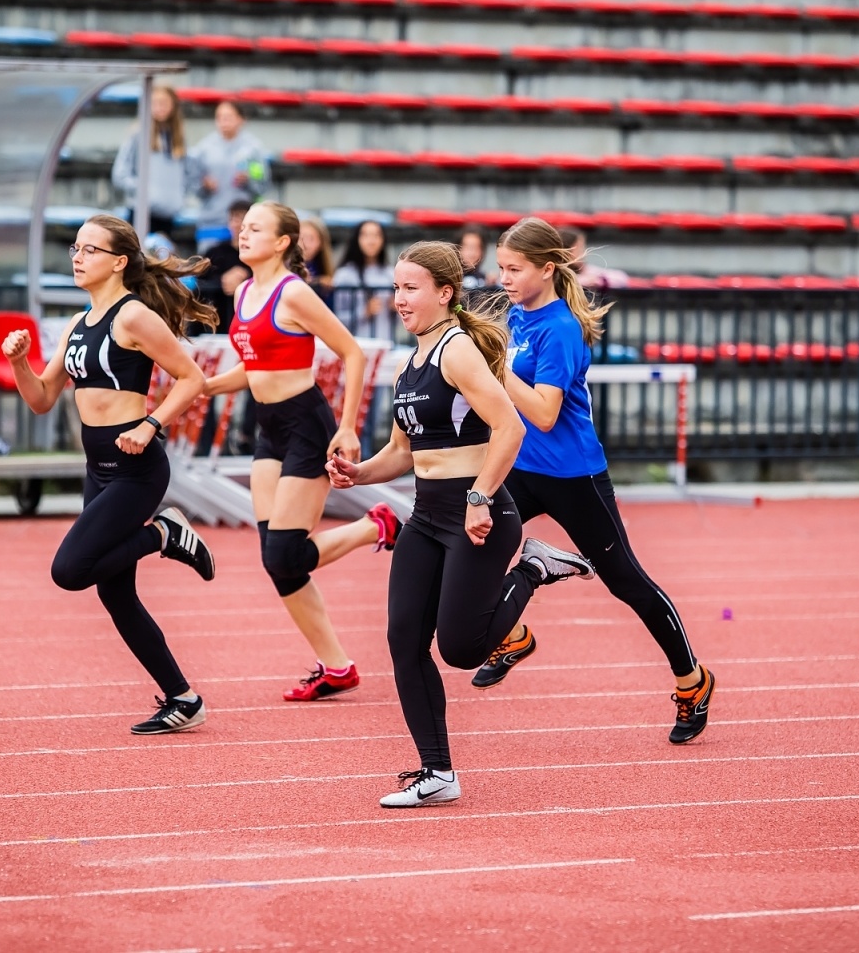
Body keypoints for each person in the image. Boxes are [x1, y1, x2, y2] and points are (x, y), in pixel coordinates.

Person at [328, 241, 593, 808]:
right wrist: (358, 472)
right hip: (427, 516)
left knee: (462, 650)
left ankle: (534, 569)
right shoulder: (408, 364)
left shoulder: (458, 351)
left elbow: (511, 429)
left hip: (480, 516)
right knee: (404, 640)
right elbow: (403, 453)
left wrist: (479, 496)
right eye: (396, 288)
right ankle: (437, 772)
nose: (399, 299)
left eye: (410, 288)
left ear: (444, 293)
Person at [476, 218, 716, 743]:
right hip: (520, 466)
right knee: (468, 543)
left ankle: (692, 681)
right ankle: (511, 636)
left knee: (626, 582)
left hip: (572, 475)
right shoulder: (517, 313)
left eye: (514, 269)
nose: (505, 278)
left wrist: (493, 369)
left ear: (546, 268)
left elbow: (543, 412)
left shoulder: (560, 328)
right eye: (501, 268)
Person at [2, 214, 220, 736]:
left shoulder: (134, 317)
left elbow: (193, 380)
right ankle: (182, 698)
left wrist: (150, 423)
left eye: (90, 250)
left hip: (136, 469)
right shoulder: (79, 325)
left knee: (71, 570)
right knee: (115, 593)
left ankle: (164, 533)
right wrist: (20, 362)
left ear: (119, 261)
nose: (78, 257)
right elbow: (40, 400)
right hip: (97, 468)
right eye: (75, 248)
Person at [203, 201, 399, 701]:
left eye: (255, 228)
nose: (243, 235)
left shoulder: (294, 294)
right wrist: (203, 387)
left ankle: (373, 526)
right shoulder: (245, 290)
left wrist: (350, 426)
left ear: (283, 241)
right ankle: (336, 667)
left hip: (307, 424)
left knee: (286, 553)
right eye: (242, 227)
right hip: (269, 428)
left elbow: (352, 352)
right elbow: (253, 368)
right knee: (279, 562)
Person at [112, 83, 189, 239]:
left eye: (164, 103)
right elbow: (120, 174)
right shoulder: (137, 135)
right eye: (155, 103)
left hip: (168, 214)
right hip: (142, 213)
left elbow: (185, 175)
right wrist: (143, 190)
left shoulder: (177, 138)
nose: (160, 108)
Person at [188, 99, 270, 236]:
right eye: (219, 117)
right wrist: (204, 185)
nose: (224, 121)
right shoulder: (203, 149)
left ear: (241, 119)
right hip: (211, 220)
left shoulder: (253, 150)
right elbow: (193, 185)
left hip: (244, 222)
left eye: (229, 117)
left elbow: (262, 185)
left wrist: (248, 180)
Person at [192, 199, 251, 334]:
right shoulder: (215, 252)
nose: (237, 224)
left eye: (241, 219)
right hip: (217, 323)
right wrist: (222, 280)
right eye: (233, 219)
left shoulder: (258, 254)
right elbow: (200, 281)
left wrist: (244, 279)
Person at [334, 219, 395, 339]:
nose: (371, 241)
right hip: (357, 342)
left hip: (387, 341)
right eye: (365, 235)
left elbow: (400, 321)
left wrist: (396, 308)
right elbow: (337, 317)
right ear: (356, 239)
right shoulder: (344, 275)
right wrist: (364, 312)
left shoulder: (391, 274)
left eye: (376, 235)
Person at [560, 226, 630, 290]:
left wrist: (599, 280)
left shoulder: (585, 270)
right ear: (567, 251)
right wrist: (587, 280)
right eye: (579, 249)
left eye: (583, 248)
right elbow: (564, 282)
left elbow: (621, 278)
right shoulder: (556, 274)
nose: (584, 254)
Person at [299, 215, 336, 294]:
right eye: (301, 238)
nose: (305, 244)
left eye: (311, 239)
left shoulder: (322, 267)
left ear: (321, 243)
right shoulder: (285, 265)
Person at [455, 224, 494, 290]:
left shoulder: (486, 281)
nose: (471, 253)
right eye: (467, 247)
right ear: (458, 249)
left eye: (476, 248)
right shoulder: (451, 279)